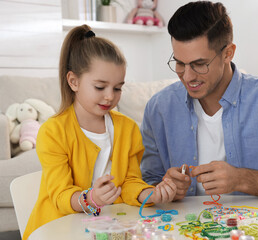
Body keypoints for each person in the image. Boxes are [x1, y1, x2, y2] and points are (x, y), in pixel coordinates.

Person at [140, 1, 258, 201]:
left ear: (228, 53)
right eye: (179, 63)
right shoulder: (159, 108)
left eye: (199, 64)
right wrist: (164, 188)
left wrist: (242, 179)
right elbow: (145, 183)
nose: (187, 76)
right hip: (182, 228)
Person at [23, 25, 176, 240]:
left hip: (108, 228)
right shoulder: (53, 132)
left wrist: (147, 193)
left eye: (117, 88)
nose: (109, 97)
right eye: (100, 87)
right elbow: (60, 195)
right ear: (73, 81)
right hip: (59, 229)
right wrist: (91, 198)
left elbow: (130, 181)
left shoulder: (128, 129)